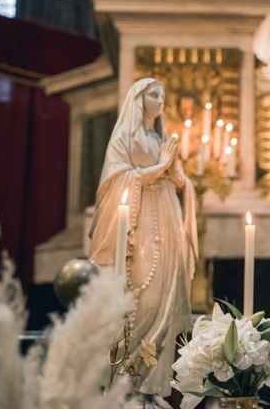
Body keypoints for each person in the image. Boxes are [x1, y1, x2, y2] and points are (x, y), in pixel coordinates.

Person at [89, 77, 198, 409]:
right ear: (138, 99)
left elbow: (178, 179)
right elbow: (117, 179)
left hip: (167, 215)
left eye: (163, 94)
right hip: (142, 219)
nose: (160, 99)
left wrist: (177, 172)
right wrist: (159, 168)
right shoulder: (126, 136)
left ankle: (158, 385)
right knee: (145, 296)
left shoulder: (160, 136)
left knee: (170, 293)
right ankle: (130, 381)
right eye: (153, 93)